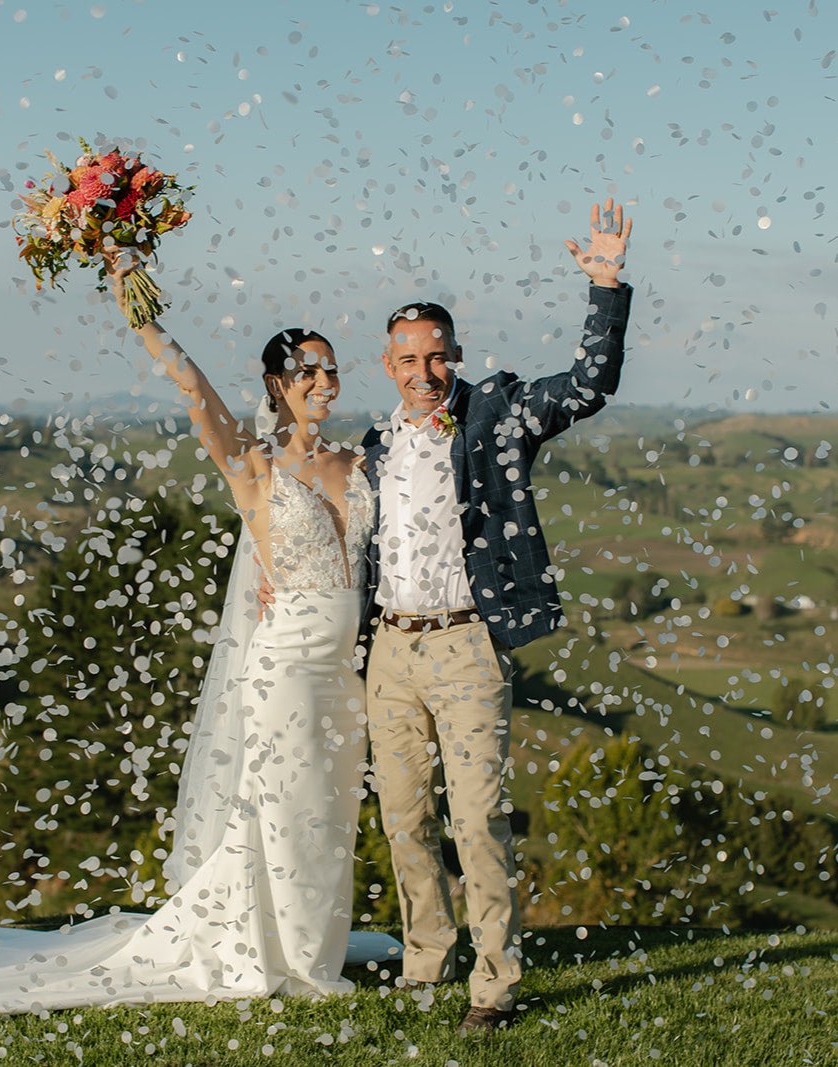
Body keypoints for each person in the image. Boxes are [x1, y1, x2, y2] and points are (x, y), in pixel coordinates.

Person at [0, 281, 399, 1021]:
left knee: (328, 809)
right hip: (285, 667)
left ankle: (312, 942)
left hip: (343, 673)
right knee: (282, 806)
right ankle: (284, 957)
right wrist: (139, 303)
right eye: (307, 370)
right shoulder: (252, 465)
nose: (324, 382)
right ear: (276, 384)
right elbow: (193, 390)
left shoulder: (360, 464)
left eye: (331, 370)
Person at [361, 199, 633, 1035]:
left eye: (438, 355)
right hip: (389, 651)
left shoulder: (498, 415)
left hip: (466, 643)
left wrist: (605, 285)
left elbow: (588, 386)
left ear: (457, 355)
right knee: (404, 820)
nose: (425, 370)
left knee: (477, 819)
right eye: (410, 357)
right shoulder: (373, 446)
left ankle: (495, 983)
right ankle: (425, 958)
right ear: (388, 363)